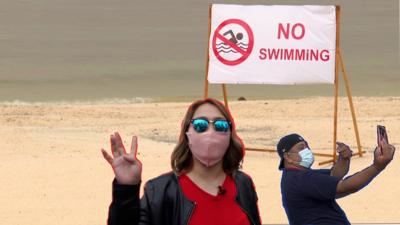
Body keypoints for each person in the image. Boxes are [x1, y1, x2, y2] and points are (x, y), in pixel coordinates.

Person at [101, 98, 261, 225]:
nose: (210, 132)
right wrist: (126, 190)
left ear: (229, 134)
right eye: (200, 125)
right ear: (187, 134)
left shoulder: (243, 184)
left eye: (220, 125)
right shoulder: (159, 192)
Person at [276, 133, 395, 225]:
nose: (307, 150)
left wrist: (344, 159)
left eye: (307, 146)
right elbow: (345, 187)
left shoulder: (298, 175)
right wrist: (377, 166)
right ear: (287, 157)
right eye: (301, 148)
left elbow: (334, 176)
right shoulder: (300, 179)